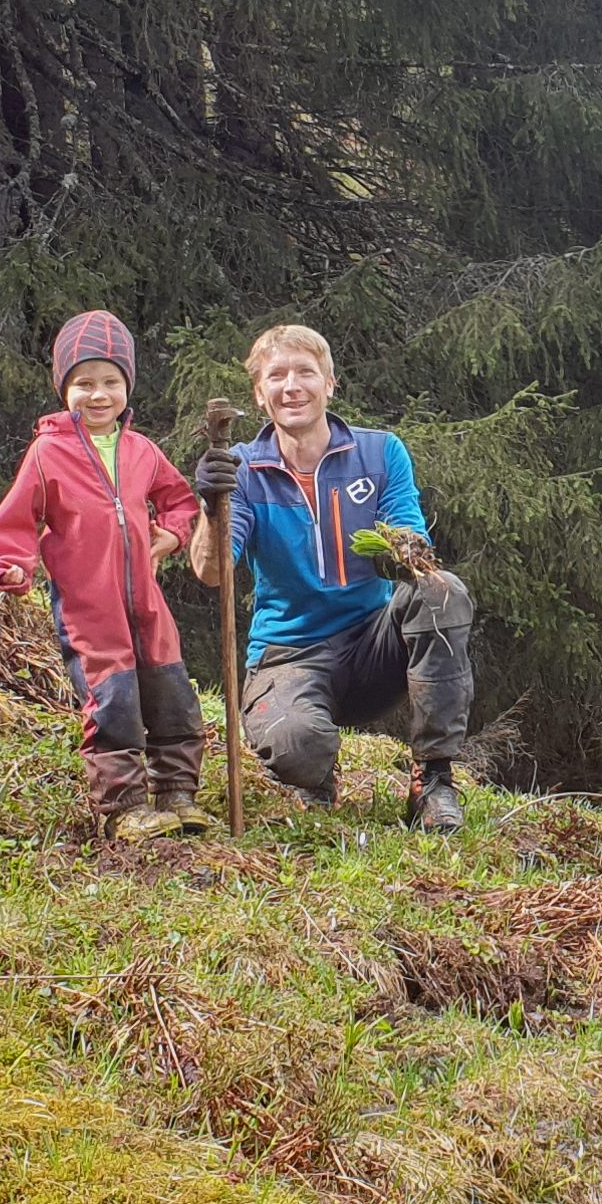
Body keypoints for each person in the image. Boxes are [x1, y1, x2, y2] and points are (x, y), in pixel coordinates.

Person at [188, 324, 473, 832]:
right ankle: (313, 774)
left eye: (305, 372)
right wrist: (213, 506)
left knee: (442, 591)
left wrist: (400, 550)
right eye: (276, 376)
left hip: (374, 644)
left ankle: (433, 780)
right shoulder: (243, 470)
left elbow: (409, 537)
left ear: (330, 384)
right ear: (259, 394)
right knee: (298, 744)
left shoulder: (380, 452)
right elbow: (212, 572)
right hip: (289, 654)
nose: (291, 386)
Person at [0, 311, 213, 842]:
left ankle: (178, 793)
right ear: (64, 388)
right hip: (89, 609)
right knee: (115, 701)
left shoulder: (141, 450)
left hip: (147, 603)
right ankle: (125, 807)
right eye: (84, 383)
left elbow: (178, 500)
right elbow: (15, 521)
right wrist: (9, 567)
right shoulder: (48, 453)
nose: (98, 394)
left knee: (172, 692)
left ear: (127, 387)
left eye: (111, 382)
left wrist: (173, 534)